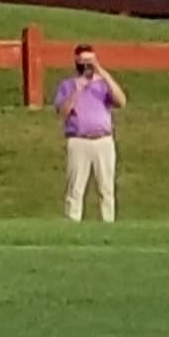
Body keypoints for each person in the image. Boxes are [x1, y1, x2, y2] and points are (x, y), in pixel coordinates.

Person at [54, 44, 127, 223]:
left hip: (103, 140)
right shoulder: (67, 85)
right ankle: (72, 222)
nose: (87, 65)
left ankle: (108, 223)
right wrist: (77, 90)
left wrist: (101, 71)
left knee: (106, 188)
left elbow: (121, 101)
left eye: (90, 61)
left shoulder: (103, 85)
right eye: (83, 61)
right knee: (75, 188)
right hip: (79, 140)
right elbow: (62, 112)